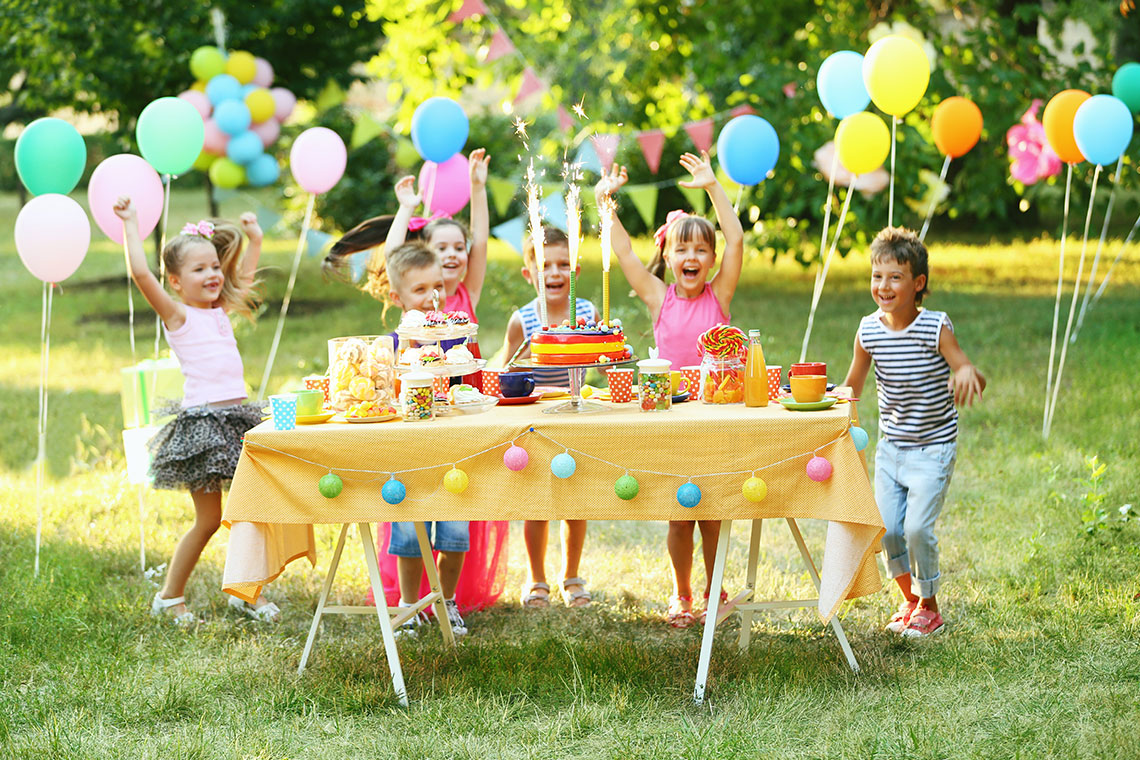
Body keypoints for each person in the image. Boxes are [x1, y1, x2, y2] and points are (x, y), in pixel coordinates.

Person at [596, 151, 744, 628]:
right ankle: (683, 594)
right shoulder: (659, 299)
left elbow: (737, 237)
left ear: (712, 259)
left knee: (713, 513)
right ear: (668, 257)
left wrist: (712, 187)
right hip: (671, 414)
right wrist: (606, 204)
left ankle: (714, 588)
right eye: (682, 250)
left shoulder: (720, 297)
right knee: (679, 515)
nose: (692, 258)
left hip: (715, 413)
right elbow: (622, 253)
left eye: (701, 250)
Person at [114, 197, 277, 625]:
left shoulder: (221, 312)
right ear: (175, 281)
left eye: (214, 266)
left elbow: (241, 276)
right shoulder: (179, 316)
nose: (212, 275)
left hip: (237, 421)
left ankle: (247, 591)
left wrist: (254, 239)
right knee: (208, 521)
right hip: (202, 427)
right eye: (199, 269)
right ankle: (169, 596)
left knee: (252, 513)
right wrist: (132, 222)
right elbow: (139, 273)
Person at [841, 226, 986, 638]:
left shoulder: (934, 326)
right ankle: (909, 600)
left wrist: (966, 372)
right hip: (892, 449)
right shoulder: (868, 330)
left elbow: (960, 363)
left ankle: (930, 606)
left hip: (933, 448)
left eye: (895, 277)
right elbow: (853, 384)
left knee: (918, 528)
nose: (883, 286)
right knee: (887, 527)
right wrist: (823, 402)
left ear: (918, 283)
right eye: (877, 276)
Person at [496, 225, 597, 609]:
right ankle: (536, 577)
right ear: (529, 274)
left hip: (574, 417)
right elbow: (507, 372)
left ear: (575, 271)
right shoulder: (523, 319)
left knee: (575, 500)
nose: (554, 273)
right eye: (545, 266)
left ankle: (571, 574)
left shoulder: (587, 312)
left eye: (563, 265)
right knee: (536, 504)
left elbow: (598, 361)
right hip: (535, 422)